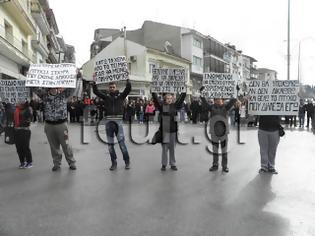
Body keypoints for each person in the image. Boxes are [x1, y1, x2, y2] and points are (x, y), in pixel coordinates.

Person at [33, 87, 77, 171]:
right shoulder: (44, 96)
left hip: (62, 125)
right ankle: (56, 163)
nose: (53, 89)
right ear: (49, 88)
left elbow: (72, 88)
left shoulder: (63, 95)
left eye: (55, 87)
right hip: (49, 125)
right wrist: (30, 76)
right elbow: (34, 88)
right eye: (51, 88)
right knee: (53, 146)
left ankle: (71, 162)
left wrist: (77, 77)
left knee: (66, 144)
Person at [92, 79, 131, 171]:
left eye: (113, 87)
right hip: (109, 123)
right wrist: (94, 82)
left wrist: (127, 79)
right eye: (110, 87)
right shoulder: (106, 97)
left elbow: (128, 89)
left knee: (122, 144)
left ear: (116, 88)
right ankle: (113, 162)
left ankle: (127, 161)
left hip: (118, 122)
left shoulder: (121, 96)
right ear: (108, 89)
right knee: (110, 145)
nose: (112, 88)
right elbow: (95, 91)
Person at [200, 86, 240, 173]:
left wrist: (236, 90)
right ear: (214, 101)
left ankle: (225, 166)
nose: (219, 100)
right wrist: (201, 92)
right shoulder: (211, 107)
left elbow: (233, 100)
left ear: (223, 100)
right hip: (214, 132)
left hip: (224, 133)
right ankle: (215, 165)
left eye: (220, 99)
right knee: (215, 151)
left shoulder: (226, 107)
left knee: (224, 151)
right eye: (217, 99)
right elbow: (203, 101)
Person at [152, 92, 186, 171]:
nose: (169, 100)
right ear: (165, 99)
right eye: (168, 98)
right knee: (165, 148)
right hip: (165, 131)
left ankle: (173, 164)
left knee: (172, 148)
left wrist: (183, 92)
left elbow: (181, 99)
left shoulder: (175, 106)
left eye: (171, 98)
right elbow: (156, 101)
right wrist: (154, 93)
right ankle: (164, 164)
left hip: (173, 131)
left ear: (173, 99)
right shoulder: (162, 106)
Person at [13, 101, 33, 169]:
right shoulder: (16, 110)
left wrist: (24, 122)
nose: (17, 102)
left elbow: (30, 118)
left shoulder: (27, 109)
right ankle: (22, 162)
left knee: (25, 147)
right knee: (19, 148)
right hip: (17, 131)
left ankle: (29, 162)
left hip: (25, 130)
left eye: (20, 101)